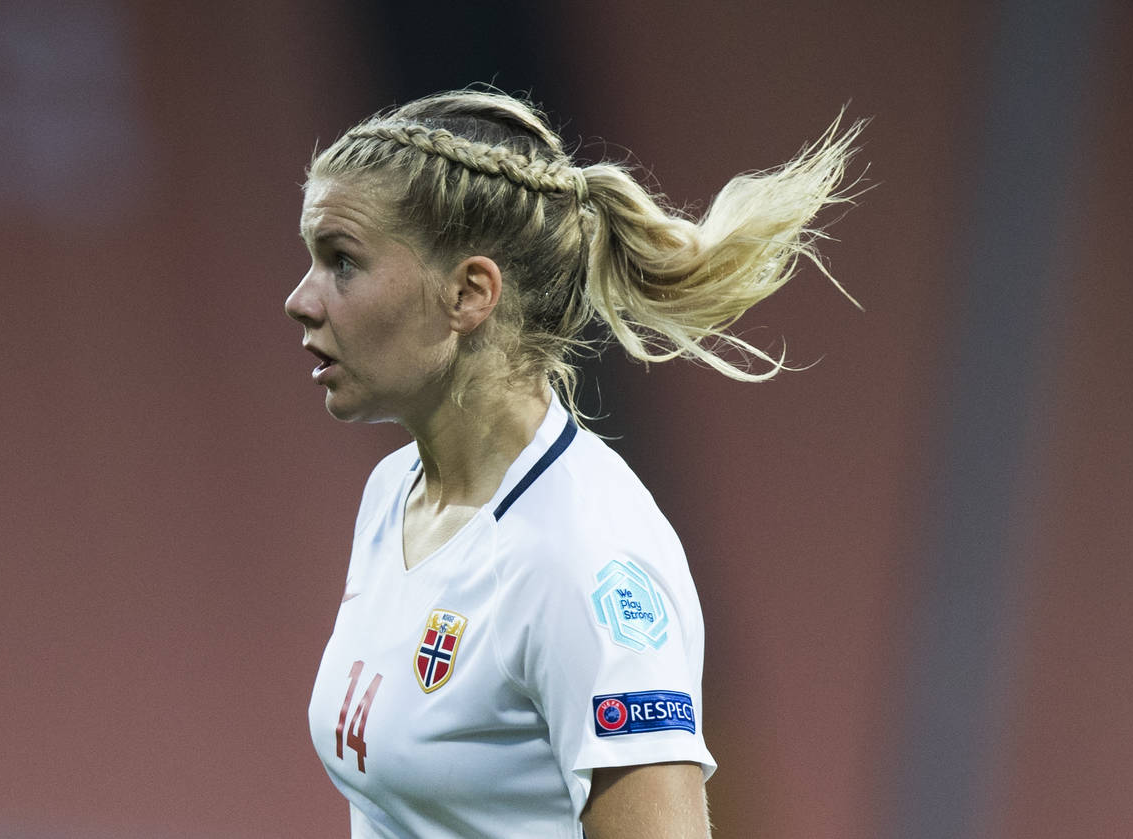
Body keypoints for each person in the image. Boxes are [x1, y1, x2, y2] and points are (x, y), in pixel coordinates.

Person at [287, 89, 865, 839]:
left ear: (469, 293)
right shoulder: (392, 494)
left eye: (342, 262)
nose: (301, 300)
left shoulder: (585, 557)